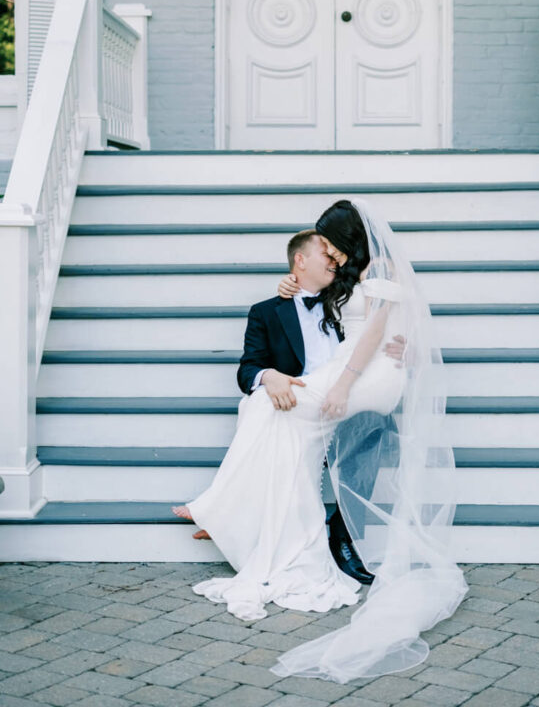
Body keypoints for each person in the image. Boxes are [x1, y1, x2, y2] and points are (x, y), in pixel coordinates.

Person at [179, 199, 468, 681]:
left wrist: (344, 383)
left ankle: (223, 510)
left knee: (271, 408)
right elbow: (345, 315)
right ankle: (247, 516)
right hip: (353, 370)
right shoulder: (345, 278)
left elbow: (378, 329)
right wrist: (291, 290)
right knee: (270, 408)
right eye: (323, 250)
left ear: (348, 235)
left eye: (331, 243)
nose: (330, 255)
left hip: (367, 375)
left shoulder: (383, 266)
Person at [174, 227, 402, 583]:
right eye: (325, 255)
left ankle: (342, 537)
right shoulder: (266, 312)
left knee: (364, 423)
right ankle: (237, 521)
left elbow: (386, 324)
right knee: (264, 402)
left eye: (334, 255)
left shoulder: (345, 299)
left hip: (348, 402)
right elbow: (247, 368)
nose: (333, 261)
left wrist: (400, 347)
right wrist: (270, 376)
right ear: (300, 260)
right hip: (297, 400)